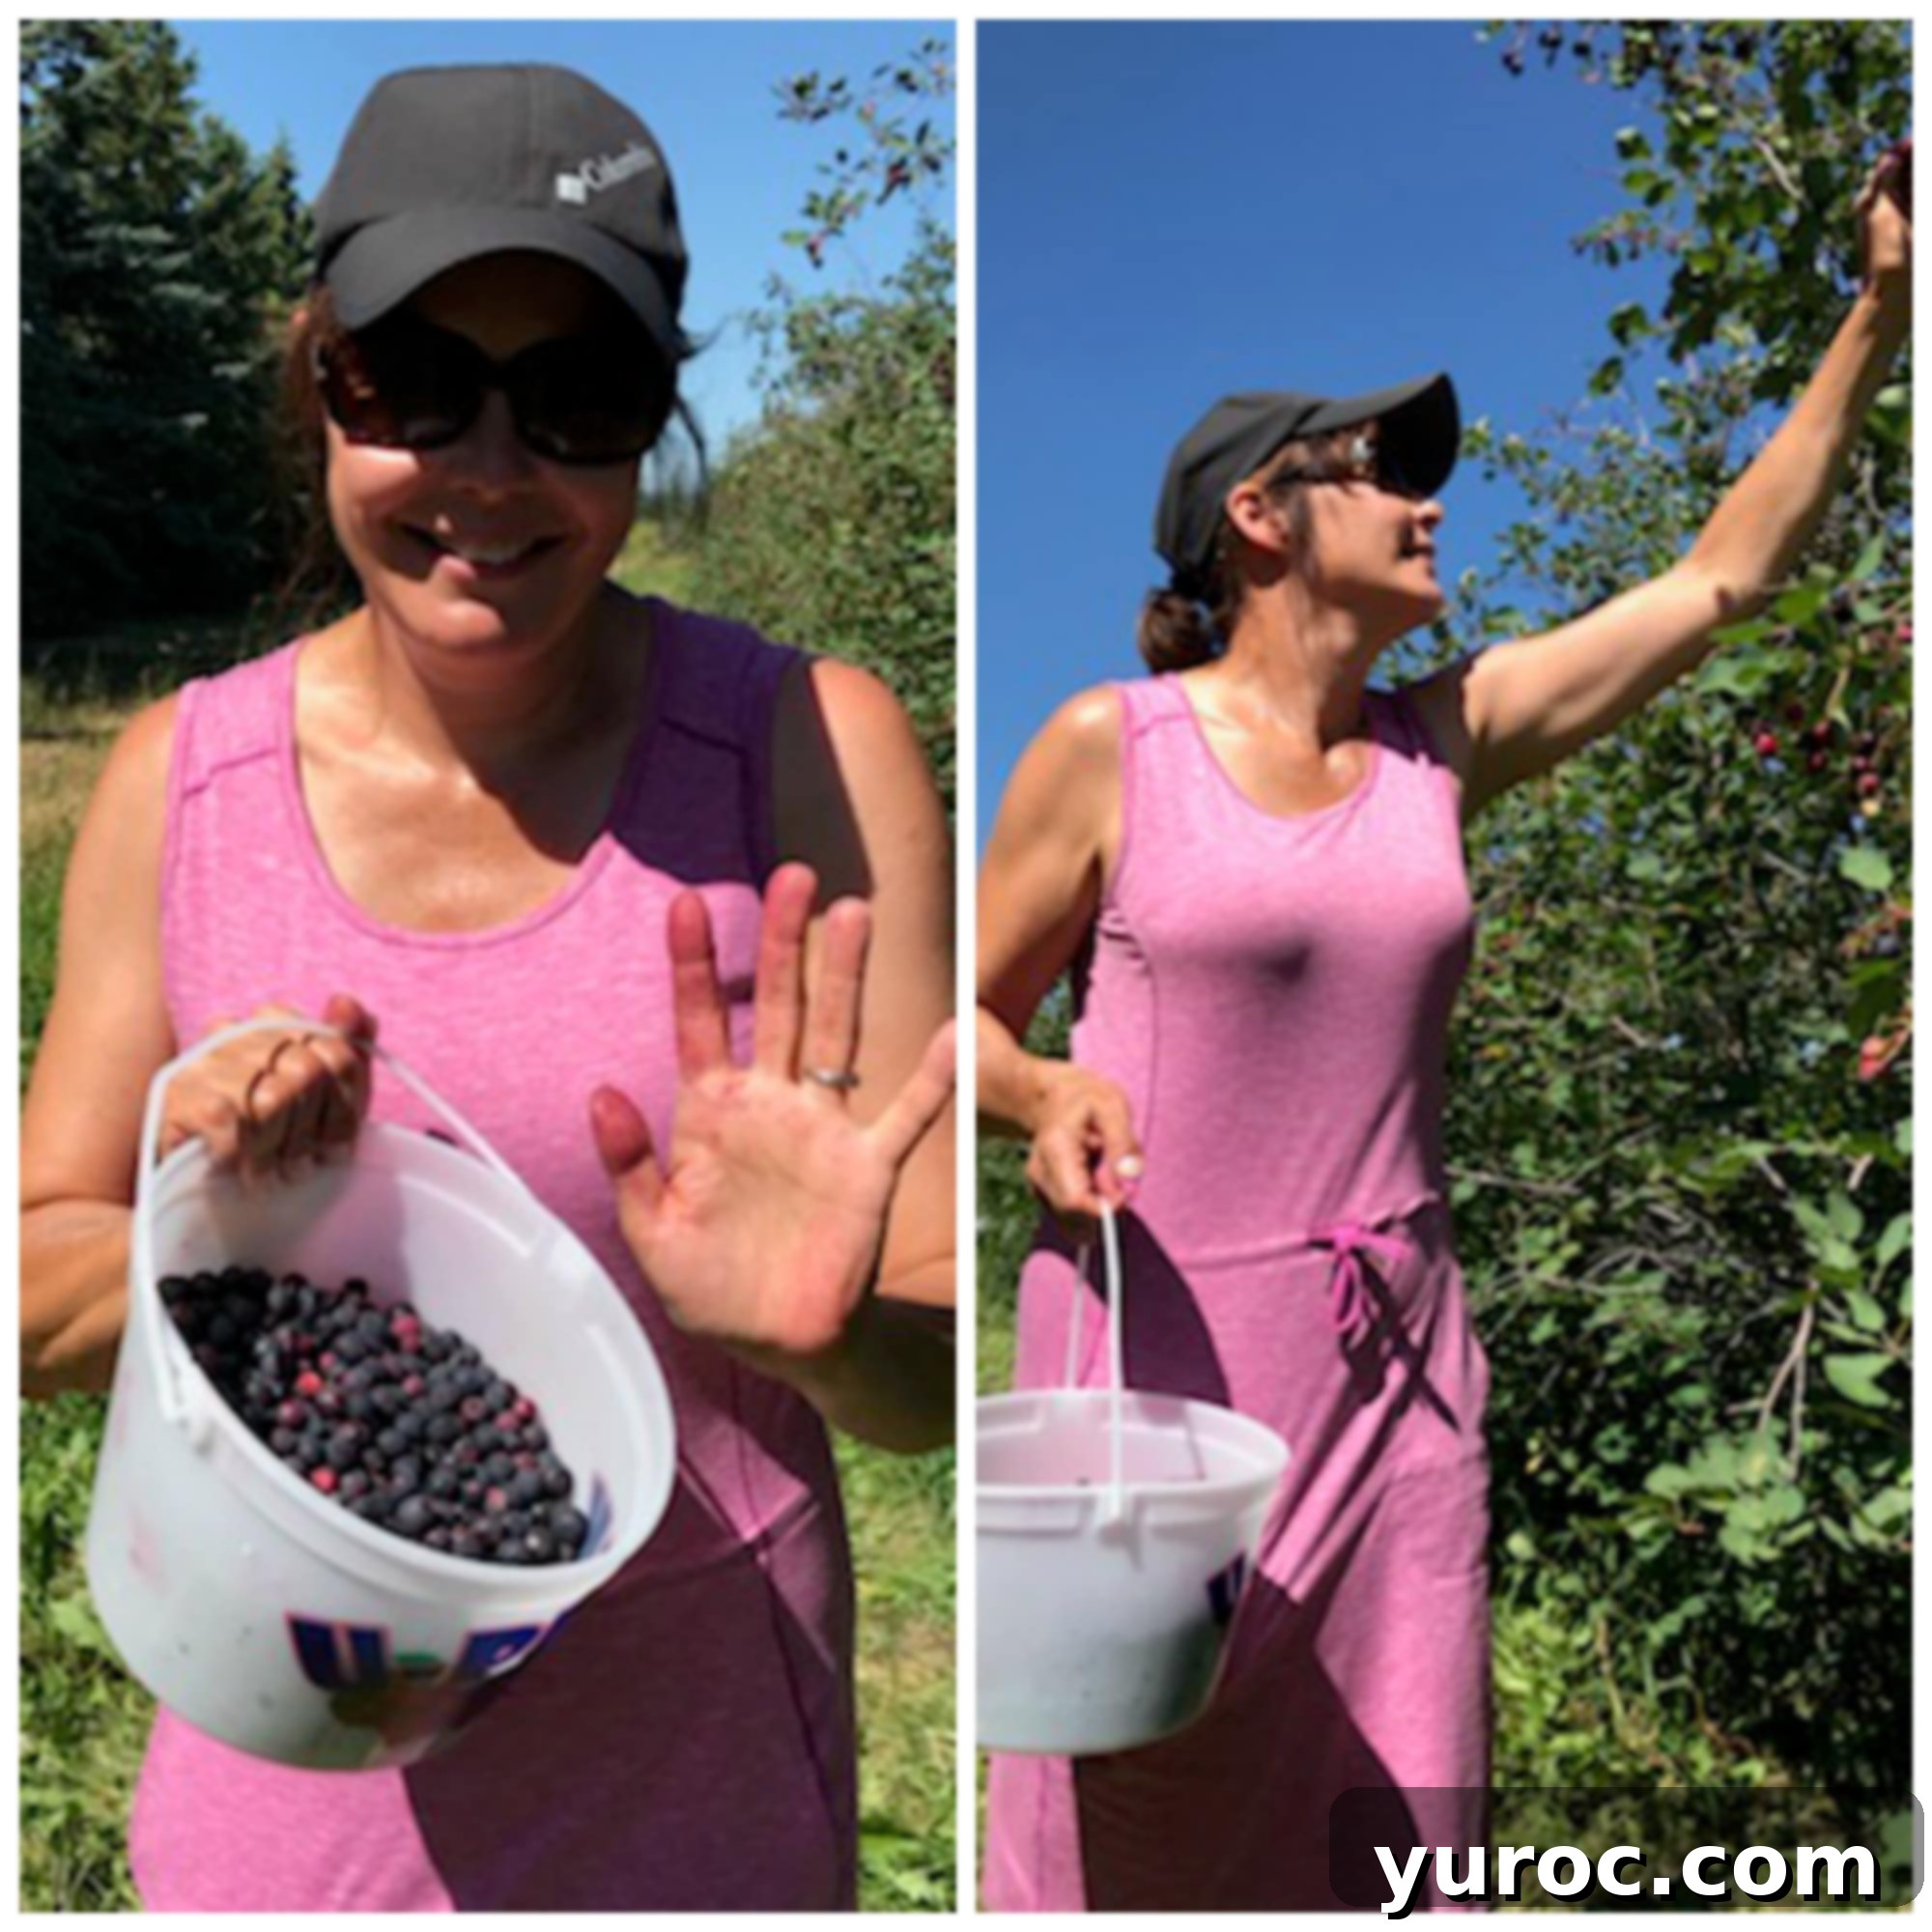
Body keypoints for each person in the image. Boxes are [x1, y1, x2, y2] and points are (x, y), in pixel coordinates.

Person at [20, 63, 955, 1911]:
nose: (490, 468)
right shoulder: (174, 785)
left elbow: (921, 1364)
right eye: (413, 382)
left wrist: (820, 1330)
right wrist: (200, 1224)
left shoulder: (806, 752)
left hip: (695, 1796)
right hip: (287, 1790)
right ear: (319, 388)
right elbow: (30, 1300)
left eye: (580, 399)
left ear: (652, 427)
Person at [976, 146, 1910, 1910]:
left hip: (1399, 1380)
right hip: (1159, 1376)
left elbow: (1717, 583)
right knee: (1139, 1830)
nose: (1430, 503)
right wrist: (1044, 1085)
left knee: (1400, 1838)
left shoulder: (1442, 741)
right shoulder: (1116, 748)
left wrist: (1882, 310)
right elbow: (957, 1020)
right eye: (1390, 470)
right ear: (1260, 515)